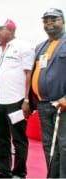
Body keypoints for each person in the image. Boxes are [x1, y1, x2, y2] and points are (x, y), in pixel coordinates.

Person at [0, 19, 35, 178]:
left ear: (11, 30)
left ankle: (19, 172)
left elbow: (29, 74)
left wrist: (26, 100)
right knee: (0, 137)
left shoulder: (23, 47)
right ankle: (2, 170)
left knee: (18, 138)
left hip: (16, 100)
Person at [30, 8, 66, 178]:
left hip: (62, 105)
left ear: (63, 21)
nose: (49, 23)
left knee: (64, 145)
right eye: (46, 20)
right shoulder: (40, 46)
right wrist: (29, 101)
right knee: (48, 144)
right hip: (43, 104)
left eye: (54, 19)